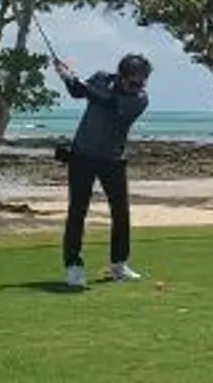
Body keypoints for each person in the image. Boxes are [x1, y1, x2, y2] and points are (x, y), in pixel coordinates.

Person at [54, 53, 152, 288]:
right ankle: (73, 266)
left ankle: (119, 264)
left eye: (142, 82)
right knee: (77, 211)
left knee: (121, 213)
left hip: (113, 160)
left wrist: (78, 82)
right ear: (121, 76)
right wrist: (66, 77)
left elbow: (107, 102)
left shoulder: (139, 100)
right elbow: (78, 93)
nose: (138, 87)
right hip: (82, 155)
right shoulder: (100, 78)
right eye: (134, 82)